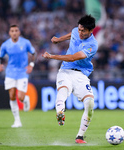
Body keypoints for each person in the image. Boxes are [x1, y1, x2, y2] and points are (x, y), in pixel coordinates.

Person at [42, 15, 98, 143]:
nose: (80, 32)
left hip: (81, 76)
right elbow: (71, 34)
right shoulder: (76, 31)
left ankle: (80, 136)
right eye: (79, 29)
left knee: (90, 104)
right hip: (65, 71)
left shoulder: (92, 45)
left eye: (83, 31)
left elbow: (72, 57)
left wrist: (52, 56)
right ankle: (60, 111)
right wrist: (59, 40)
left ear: (91, 31)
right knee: (63, 91)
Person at [0, 25, 36, 128]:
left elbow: (33, 53)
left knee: (20, 97)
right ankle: (17, 121)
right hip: (10, 73)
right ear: (9, 33)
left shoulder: (25, 42)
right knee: (12, 96)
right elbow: (0, 56)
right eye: (12, 31)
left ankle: (25, 99)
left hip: (22, 73)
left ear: (19, 32)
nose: (14, 32)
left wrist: (31, 65)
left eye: (16, 30)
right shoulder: (6, 45)